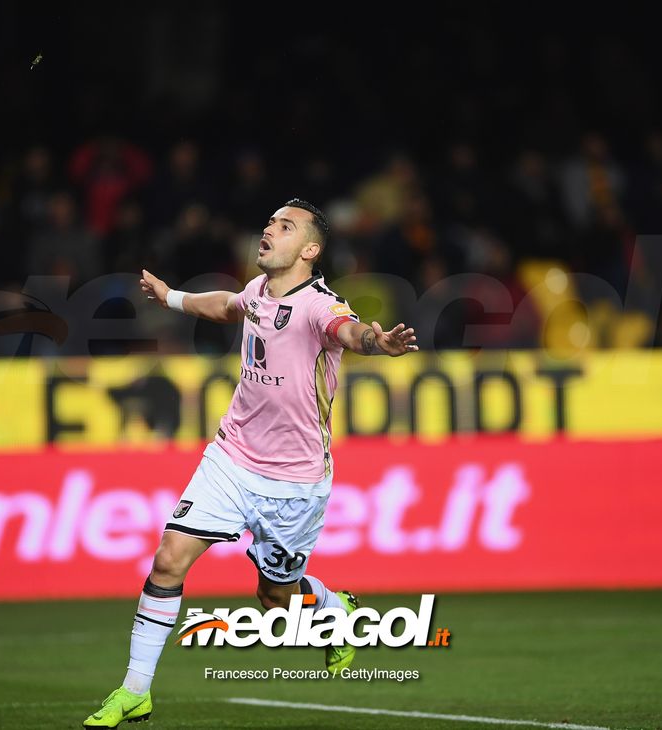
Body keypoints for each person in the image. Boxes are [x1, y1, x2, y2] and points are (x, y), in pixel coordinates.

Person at [82, 198, 418, 727]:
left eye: (284, 227)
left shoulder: (319, 305)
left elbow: (349, 332)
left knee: (274, 598)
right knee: (169, 558)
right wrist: (171, 296)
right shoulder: (259, 291)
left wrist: (378, 342)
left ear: (309, 249)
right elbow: (226, 306)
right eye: (268, 222)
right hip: (231, 458)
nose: (268, 230)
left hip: (295, 480)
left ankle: (335, 609)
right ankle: (135, 691)